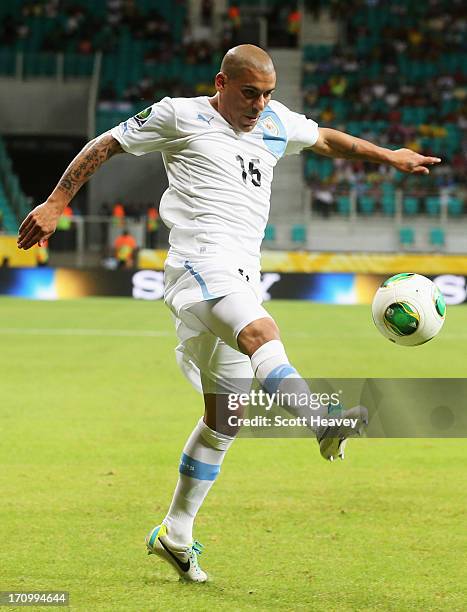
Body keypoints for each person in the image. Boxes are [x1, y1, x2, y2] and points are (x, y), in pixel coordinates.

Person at [17, 44, 441, 583]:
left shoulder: (275, 122)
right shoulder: (179, 114)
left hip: (241, 273)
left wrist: (391, 156)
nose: (259, 104)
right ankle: (323, 422)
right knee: (262, 331)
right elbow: (108, 144)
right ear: (221, 82)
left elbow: (329, 140)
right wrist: (56, 202)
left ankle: (174, 532)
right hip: (197, 265)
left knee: (226, 419)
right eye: (249, 93)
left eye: (267, 94)